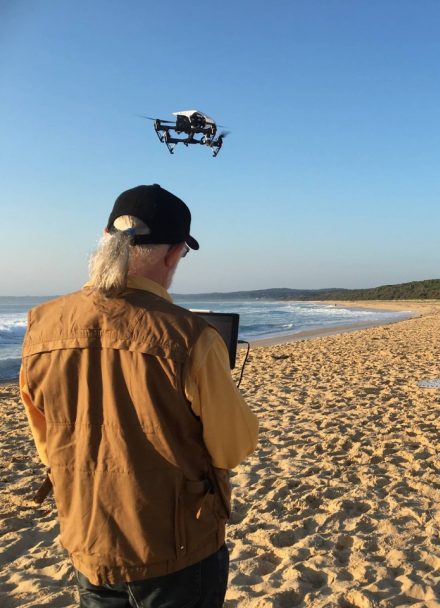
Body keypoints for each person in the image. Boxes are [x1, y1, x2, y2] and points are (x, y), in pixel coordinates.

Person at [20, 184, 259, 607]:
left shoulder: (41, 325)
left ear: (106, 239)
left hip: (87, 539)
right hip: (174, 551)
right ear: (173, 253)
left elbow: (47, 445)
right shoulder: (192, 337)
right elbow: (232, 448)